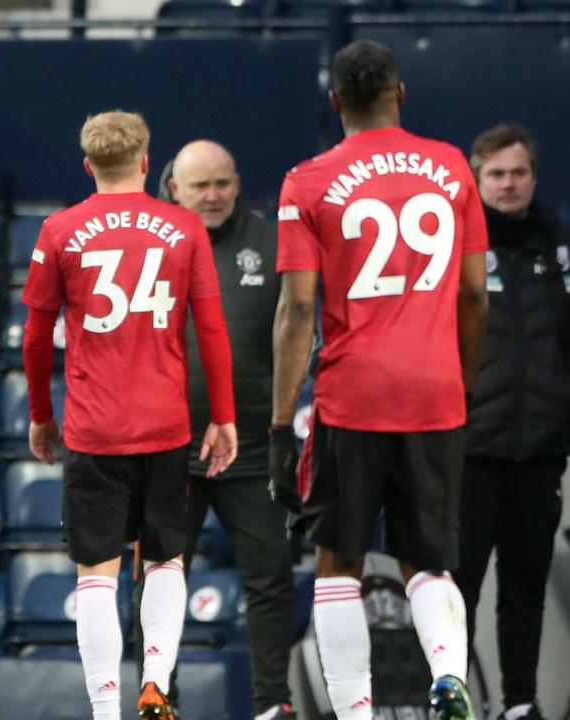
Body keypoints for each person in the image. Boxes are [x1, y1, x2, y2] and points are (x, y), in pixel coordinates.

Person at [269, 40, 489, 720]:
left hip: (353, 397)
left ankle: (356, 711)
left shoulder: (307, 180)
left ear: (335, 102)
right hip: (436, 392)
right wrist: (462, 381)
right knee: (430, 561)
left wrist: (281, 424)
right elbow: (476, 295)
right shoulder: (453, 168)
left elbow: (299, 307)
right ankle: (448, 676)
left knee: (338, 564)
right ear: (402, 93)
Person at [23, 110, 238, 720]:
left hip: (93, 430)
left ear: (89, 166)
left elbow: (37, 340)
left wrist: (42, 414)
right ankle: (155, 681)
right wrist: (222, 415)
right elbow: (213, 328)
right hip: (164, 427)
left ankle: (105, 709)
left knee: (97, 575)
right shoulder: (184, 226)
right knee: (165, 559)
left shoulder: (59, 230)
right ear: (147, 162)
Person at [129, 140, 295, 720]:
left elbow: (301, 330)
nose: (214, 195)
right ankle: (159, 697)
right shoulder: (151, 243)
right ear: (173, 186)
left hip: (251, 449)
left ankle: (273, 701)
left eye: (223, 182)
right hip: (170, 450)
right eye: (201, 185)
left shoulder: (272, 242)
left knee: (271, 577)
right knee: (159, 578)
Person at [453, 124, 570, 720]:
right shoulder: (452, 249)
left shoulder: (558, 246)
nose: (508, 184)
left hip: (541, 450)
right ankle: (455, 702)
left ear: (533, 177)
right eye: (496, 174)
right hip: (471, 451)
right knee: (459, 590)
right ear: (476, 181)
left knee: (525, 589)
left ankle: (520, 704)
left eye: (517, 172)